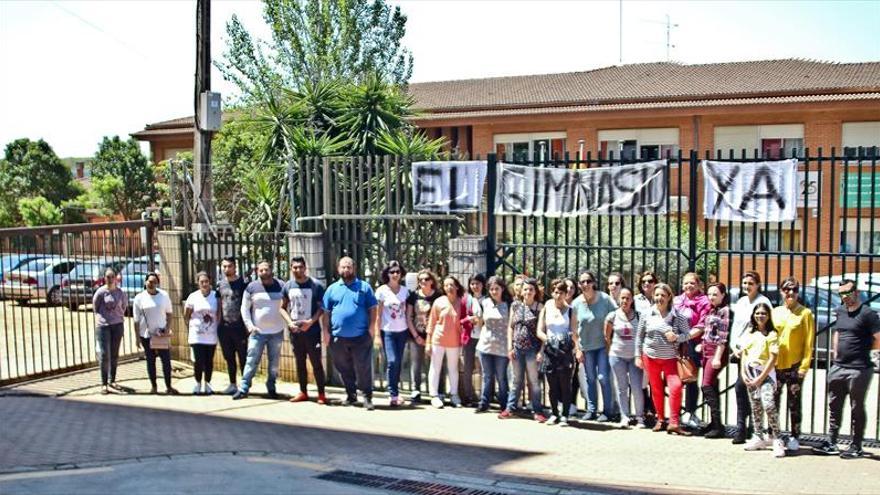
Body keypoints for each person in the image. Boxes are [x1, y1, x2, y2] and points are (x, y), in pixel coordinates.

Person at [812, 279, 880, 459]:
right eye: (842, 293)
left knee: (856, 408)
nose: (845, 296)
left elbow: (878, 338)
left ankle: (856, 445)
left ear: (856, 292)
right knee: (834, 406)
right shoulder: (840, 311)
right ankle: (832, 442)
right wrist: (835, 355)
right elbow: (838, 332)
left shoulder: (868, 314)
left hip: (859, 369)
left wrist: (863, 348)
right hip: (839, 367)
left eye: (848, 292)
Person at [322, 256, 378, 410]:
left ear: (354, 268)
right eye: (343, 267)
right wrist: (325, 332)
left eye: (348, 267)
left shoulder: (364, 287)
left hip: (360, 337)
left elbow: (373, 309)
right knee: (343, 367)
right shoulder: (332, 289)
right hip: (337, 337)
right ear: (338, 269)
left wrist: (372, 327)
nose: (346, 270)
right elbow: (326, 313)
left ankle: (367, 397)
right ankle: (351, 395)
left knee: (363, 368)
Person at [635, 283, 691, 435]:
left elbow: (688, 334)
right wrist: (637, 356)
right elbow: (639, 337)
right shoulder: (647, 314)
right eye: (657, 295)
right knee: (656, 389)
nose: (659, 298)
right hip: (650, 357)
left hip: (670, 359)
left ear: (669, 298)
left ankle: (674, 422)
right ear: (653, 296)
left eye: (663, 295)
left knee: (676, 387)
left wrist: (677, 337)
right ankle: (660, 419)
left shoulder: (677, 316)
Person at [771, 276, 815, 452]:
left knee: (794, 403)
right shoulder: (776, 312)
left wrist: (804, 366)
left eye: (794, 290)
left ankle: (795, 436)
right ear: (781, 291)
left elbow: (809, 342)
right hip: (776, 364)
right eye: (787, 289)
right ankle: (775, 435)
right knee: (773, 401)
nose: (790, 293)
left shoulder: (805, 313)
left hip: (795, 364)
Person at [233, 260, 287, 400]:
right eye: (261, 270)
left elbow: (288, 305)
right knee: (251, 360)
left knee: (274, 362)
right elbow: (244, 308)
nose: (264, 272)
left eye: (266, 269)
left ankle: (271, 386)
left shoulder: (281, 286)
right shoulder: (251, 287)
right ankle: (244, 387)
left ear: (271, 270)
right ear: (257, 271)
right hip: (257, 332)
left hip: (277, 332)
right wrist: (250, 326)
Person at [728, 271, 772, 444]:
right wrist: (734, 346)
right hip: (740, 351)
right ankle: (741, 427)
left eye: (750, 283)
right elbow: (736, 328)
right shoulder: (741, 301)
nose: (746, 286)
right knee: (741, 388)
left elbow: (763, 328)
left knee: (751, 390)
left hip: (755, 352)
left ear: (758, 285)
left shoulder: (763, 302)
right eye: (744, 283)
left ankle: (754, 429)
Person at [740, 303, 785, 458]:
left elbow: (773, 358)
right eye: (757, 313)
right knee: (756, 407)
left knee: (768, 405)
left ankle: (777, 438)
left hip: (765, 374)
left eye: (763, 313)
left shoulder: (772, 334)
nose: (760, 316)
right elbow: (744, 354)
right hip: (750, 374)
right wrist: (743, 373)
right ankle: (758, 436)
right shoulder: (750, 333)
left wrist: (761, 377)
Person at [573, 270, 617, 422]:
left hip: (603, 346)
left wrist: (611, 339)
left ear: (593, 283)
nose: (586, 284)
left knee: (603, 377)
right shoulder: (577, 303)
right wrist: (577, 349)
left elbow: (616, 316)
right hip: (586, 347)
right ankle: (591, 410)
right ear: (579, 285)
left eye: (588, 281)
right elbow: (573, 329)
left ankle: (607, 411)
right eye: (582, 282)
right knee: (590, 378)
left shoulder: (604, 299)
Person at [500, 278, 546, 422]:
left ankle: (537, 410)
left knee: (534, 381)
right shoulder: (515, 306)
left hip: (533, 349)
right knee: (516, 380)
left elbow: (544, 330)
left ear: (535, 291)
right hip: (517, 349)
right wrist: (510, 347)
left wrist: (541, 351)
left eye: (531, 289)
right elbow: (510, 327)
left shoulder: (540, 307)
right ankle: (510, 408)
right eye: (525, 289)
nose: (528, 292)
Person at [284, 256, 328, 405]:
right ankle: (303, 392)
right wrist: (289, 322)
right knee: (300, 362)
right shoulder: (288, 286)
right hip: (295, 332)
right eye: (295, 267)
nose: (298, 270)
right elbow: (281, 308)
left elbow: (322, 307)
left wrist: (311, 322)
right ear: (291, 268)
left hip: (312, 332)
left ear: (305, 268)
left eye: (300, 267)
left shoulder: (316, 285)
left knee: (316, 363)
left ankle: (321, 393)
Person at [537, 279, 579, 426]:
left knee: (565, 384)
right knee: (552, 385)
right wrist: (548, 340)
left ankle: (565, 415)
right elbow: (539, 330)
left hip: (565, 352)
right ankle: (554, 413)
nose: (558, 295)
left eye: (561, 292)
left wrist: (575, 348)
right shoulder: (547, 307)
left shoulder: (571, 310)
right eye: (555, 292)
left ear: (566, 294)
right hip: (550, 351)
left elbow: (574, 332)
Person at [673, 272, 711, 430]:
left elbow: (702, 325)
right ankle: (676, 414)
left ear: (698, 285)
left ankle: (690, 412)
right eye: (686, 283)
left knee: (691, 378)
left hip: (694, 344)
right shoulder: (677, 300)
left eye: (692, 283)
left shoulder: (704, 301)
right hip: (676, 345)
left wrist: (683, 337)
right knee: (677, 379)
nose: (688, 286)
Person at [605, 287, 645, 428]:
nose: (625, 301)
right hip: (617, 356)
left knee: (636, 388)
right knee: (621, 387)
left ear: (632, 300)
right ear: (618, 299)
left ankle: (640, 417)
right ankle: (625, 416)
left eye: (628, 298)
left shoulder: (640, 316)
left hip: (635, 357)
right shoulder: (612, 316)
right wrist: (611, 351)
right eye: (622, 298)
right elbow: (607, 336)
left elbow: (643, 336)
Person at [426, 276, 466, 408]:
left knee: (453, 369)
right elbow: (431, 323)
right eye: (446, 285)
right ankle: (434, 395)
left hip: (454, 341)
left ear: (457, 287)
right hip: (438, 339)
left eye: (452, 285)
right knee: (435, 367)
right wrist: (428, 342)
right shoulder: (438, 302)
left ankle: (454, 395)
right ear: (443, 288)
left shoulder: (462, 302)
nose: (449, 287)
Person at [133, 273, 177, 395]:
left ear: (157, 283)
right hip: (146, 335)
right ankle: (154, 386)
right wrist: (137, 337)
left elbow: (169, 313)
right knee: (150, 361)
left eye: (154, 281)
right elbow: (136, 320)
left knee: (166, 361)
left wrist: (167, 328)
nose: (151, 284)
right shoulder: (139, 298)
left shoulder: (164, 296)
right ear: (145, 282)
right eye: (149, 281)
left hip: (161, 334)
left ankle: (169, 386)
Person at [374, 260, 410, 406]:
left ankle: (396, 393)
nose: (395, 274)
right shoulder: (382, 291)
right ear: (387, 274)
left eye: (398, 272)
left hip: (402, 331)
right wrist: (377, 335)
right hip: (387, 331)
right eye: (392, 272)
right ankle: (392, 393)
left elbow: (408, 312)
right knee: (392, 361)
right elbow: (377, 314)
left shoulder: (405, 291)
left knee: (399, 362)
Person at [475, 276, 511, 413]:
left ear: (502, 289)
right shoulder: (485, 303)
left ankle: (504, 404)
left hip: (502, 346)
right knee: (487, 375)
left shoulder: (508, 304)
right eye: (491, 289)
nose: (494, 291)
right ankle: (484, 402)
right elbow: (481, 322)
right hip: (486, 344)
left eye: (497, 288)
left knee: (501, 377)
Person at [700, 283, 730, 439]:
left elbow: (723, 336)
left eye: (715, 294)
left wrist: (718, 357)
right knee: (711, 385)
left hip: (715, 352)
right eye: (709, 294)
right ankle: (715, 422)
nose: (711, 297)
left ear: (723, 295)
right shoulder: (711, 309)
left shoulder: (725, 311)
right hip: (705, 350)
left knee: (706, 385)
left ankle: (718, 426)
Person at [93, 267, 129, 395]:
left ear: (116, 278)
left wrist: (117, 317)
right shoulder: (100, 292)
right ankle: (104, 383)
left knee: (114, 354)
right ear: (104, 278)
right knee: (104, 354)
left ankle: (112, 380)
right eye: (107, 277)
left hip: (117, 325)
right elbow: (95, 308)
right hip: (103, 326)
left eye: (112, 276)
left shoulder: (120, 293)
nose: (110, 279)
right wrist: (104, 318)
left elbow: (124, 306)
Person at [185, 271, 220, 395]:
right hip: (197, 335)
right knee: (198, 361)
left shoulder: (216, 296)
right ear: (197, 283)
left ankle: (208, 384)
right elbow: (187, 315)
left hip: (211, 335)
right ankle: (198, 383)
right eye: (201, 282)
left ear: (210, 282)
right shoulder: (193, 297)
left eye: (206, 281)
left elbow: (219, 314)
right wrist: (190, 329)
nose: (204, 284)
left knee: (209, 361)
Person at [216, 257, 248, 395]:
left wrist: (247, 325)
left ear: (235, 267)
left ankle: (244, 385)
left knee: (243, 357)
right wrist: (218, 323)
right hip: (224, 326)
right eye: (224, 266)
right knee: (228, 357)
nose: (226, 269)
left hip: (239, 326)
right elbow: (218, 304)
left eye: (229, 266)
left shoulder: (243, 283)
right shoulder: (220, 284)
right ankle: (232, 384)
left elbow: (248, 305)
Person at [405, 269, 438, 402]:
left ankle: (436, 391)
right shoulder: (413, 296)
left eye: (426, 279)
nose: (423, 281)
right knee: (416, 364)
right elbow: (408, 316)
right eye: (421, 280)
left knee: (435, 364)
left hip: (434, 336)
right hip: (416, 334)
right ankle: (416, 390)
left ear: (432, 281)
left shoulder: (438, 296)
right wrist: (416, 336)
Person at [460, 273, 486, 407]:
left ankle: (484, 397)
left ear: (483, 285)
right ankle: (468, 396)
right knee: (468, 367)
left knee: (483, 368)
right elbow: (460, 319)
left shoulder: (487, 300)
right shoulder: (466, 299)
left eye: (478, 283)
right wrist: (469, 320)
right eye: (472, 284)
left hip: (484, 338)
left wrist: (482, 321)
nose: (475, 286)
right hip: (469, 338)